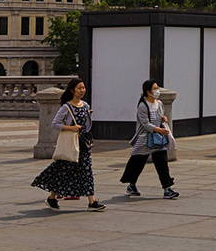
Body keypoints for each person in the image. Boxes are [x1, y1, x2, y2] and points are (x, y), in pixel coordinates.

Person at [33, 77, 104, 211]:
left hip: (83, 143)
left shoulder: (85, 105)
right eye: (79, 88)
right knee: (63, 170)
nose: (82, 90)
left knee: (87, 171)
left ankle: (92, 202)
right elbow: (55, 124)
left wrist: (87, 115)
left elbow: (86, 125)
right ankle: (52, 197)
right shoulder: (67, 107)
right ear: (72, 90)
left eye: (83, 88)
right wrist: (70, 128)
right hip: (71, 143)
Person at [120, 79, 178, 199]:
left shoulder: (159, 103)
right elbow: (145, 124)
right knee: (137, 163)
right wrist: (158, 129)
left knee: (162, 164)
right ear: (148, 92)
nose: (157, 91)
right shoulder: (143, 105)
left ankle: (167, 188)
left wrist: (163, 120)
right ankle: (131, 184)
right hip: (145, 139)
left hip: (157, 139)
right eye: (155, 88)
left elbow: (159, 117)